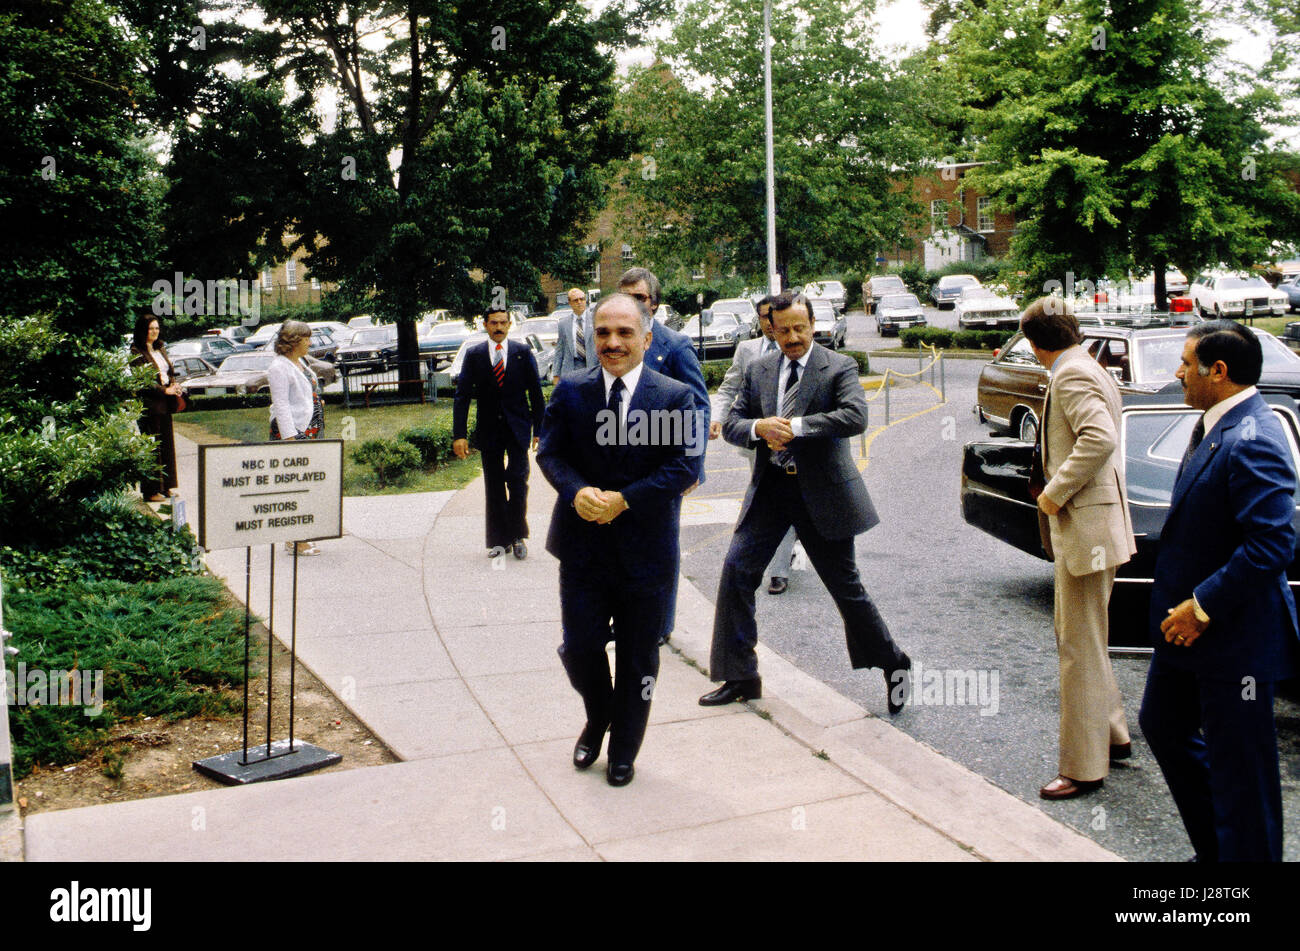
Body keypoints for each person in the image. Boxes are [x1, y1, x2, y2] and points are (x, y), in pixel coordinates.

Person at [700, 292, 912, 713]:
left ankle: (894, 663)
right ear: (771, 329)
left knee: (846, 591)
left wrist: (796, 426)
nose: (793, 337)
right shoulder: (759, 369)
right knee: (736, 573)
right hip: (771, 492)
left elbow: (855, 417)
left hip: (823, 495)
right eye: (784, 330)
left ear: (813, 325)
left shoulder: (839, 366)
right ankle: (740, 675)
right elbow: (734, 424)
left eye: (800, 328)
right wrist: (759, 427)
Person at [1139, 320, 1299, 861]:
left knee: (1242, 771)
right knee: (1162, 724)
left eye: (1186, 363)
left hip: (1233, 640)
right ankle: (1223, 851)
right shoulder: (1215, 423)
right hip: (1188, 637)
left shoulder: (1256, 435)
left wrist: (1202, 606)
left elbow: (1273, 543)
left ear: (1219, 372)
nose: (1179, 373)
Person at [537, 293, 698, 787]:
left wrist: (624, 500)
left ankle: (624, 747)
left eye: (625, 333)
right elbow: (551, 454)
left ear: (646, 339)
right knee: (580, 647)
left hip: (646, 554)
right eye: (603, 332)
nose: (612, 342)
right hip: (582, 551)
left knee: (637, 657)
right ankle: (599, 715)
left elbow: (685, 466)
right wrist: (577, 490)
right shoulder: (571, 391)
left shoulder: (675, 396)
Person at [1020, 298, 1136, 800]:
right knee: (1087, 637)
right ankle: (1112, 734)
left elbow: (1099, 438)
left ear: (1034, 342)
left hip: (1085, 530)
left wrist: (1052, 494)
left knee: (1078, 649)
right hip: (1097, 526)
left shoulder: (1069, 375)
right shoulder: (1087, 364)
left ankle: (1084, 767)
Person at [617, 267, 712, 646]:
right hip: (618, 462)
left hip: (663, 465)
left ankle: (660, 624)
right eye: (625, 297)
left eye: (639, 298)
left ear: (654, 303)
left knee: (660, 546)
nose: (632, 304)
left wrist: (693, 465)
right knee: (621, 545)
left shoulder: (674, 345)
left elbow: (699, 408)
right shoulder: (614, 341)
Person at [711, 296, 799, 595]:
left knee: (789, 499)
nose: (769, 324)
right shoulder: (747, 350)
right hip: (758, 444)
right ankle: (778, 560)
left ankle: (779, 570)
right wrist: (717, 418)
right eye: (763, 317)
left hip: (795, 444)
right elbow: (728, 388)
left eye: (772, 317)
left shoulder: (798, 348)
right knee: (769, 499)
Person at [453, 307, 546, 559]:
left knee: (517, 482)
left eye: (503, 323)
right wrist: (458, 434)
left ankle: (517, 536)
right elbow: (462, 396)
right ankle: (498, 540)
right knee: (493, 485)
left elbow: (536, 394)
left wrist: (540, 429)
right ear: (485, 324)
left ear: (509, 325)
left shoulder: (522, 353)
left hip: (517, 429)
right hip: (489, 430)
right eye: (494, 322)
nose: (499, 327)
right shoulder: (475, 355)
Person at [268, 320, 325, 556]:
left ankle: (298, 536)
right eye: (306, 338)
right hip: (293, 432)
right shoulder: (278, 367)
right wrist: (290, 438)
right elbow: (280, 404)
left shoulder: (299, 362)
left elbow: (303, 393)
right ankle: (295, 539)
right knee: (294, 488)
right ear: (294, 341)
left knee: (306, 486)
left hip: (309, 429)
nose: (310, 343)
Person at [129, 314, 181, 502]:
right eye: (151, 328)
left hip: (165, 404)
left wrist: (174, 386)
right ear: (143, 330)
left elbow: (169, 371)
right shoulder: (136, 351)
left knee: (167, 445)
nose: (154, 332)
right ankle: (151, 490)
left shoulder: (160, 348)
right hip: (150, 405)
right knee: (152, 448)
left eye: (157, 328)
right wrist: (163, 390)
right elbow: (142, 381)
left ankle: (166, 487)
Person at [551, 287, 596, 381]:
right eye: (576, 300)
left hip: (592, 368)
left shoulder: (596, 320)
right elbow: (559, 350)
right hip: (571, 369)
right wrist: (556, 374)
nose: (579, 302)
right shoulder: (563, 323)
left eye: (582, 299)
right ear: (570, 303)